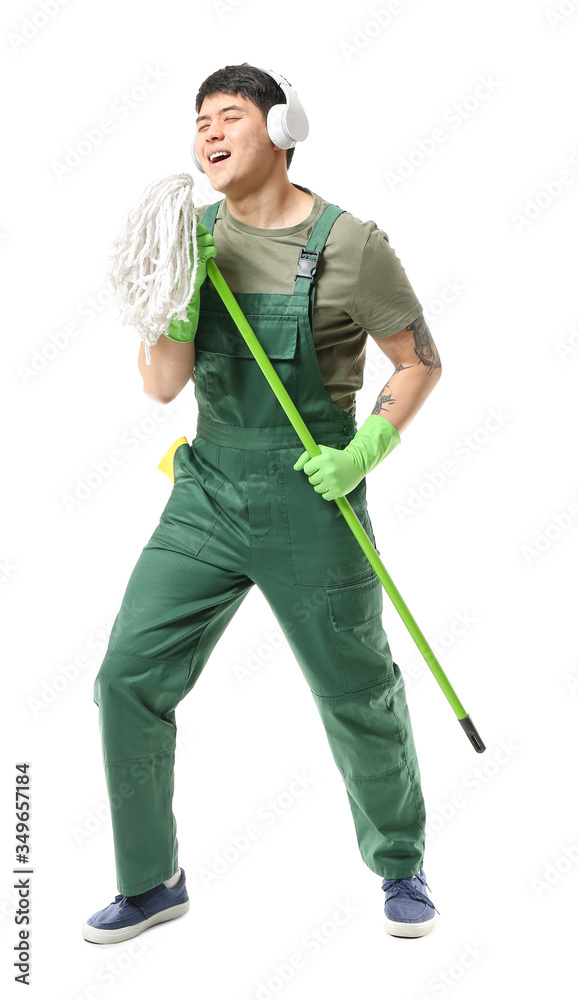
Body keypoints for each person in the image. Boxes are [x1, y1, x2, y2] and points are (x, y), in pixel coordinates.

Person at [82, 63, 442, 945]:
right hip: (208, 492)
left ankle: (401, 864)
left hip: (315, 498)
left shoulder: (351, 243)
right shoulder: (188, 239)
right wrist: (174, 307)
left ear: (283, 127)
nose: (208, 133)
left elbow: (418, 360)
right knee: (126, 675)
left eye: (229, 116)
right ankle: (151, 879)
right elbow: (163, 388)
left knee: (357, 689)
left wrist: (366, 450)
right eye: (198, 121)